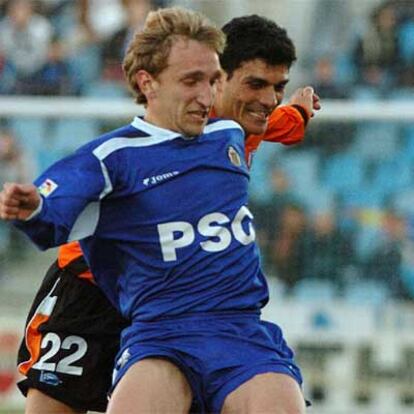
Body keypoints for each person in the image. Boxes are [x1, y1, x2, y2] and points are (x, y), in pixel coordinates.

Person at [2, 7, 308, 414]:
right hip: (95, 289)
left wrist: (301, 113)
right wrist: (35, 208)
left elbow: (279, 121)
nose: (268, 101)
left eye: (278, 88)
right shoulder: (131, 149)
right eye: (255, 85)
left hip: (208, 318)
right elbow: (57, 202)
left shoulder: (235, 128)